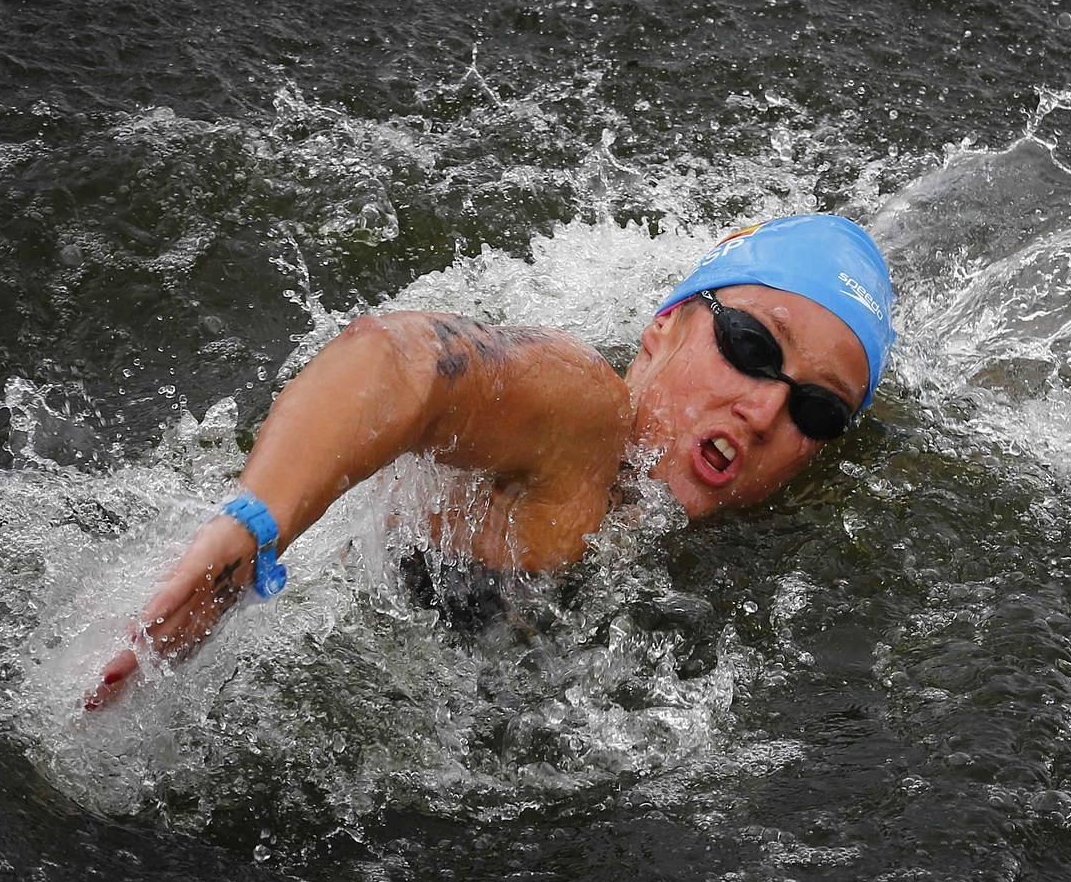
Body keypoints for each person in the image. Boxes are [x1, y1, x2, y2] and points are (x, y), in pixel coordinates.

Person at [87, 214, 896, 708]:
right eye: (751, 347)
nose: (762, 412)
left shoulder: (712, 525)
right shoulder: (584, 417)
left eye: (816, 409)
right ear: (668, 323)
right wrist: (254, 523)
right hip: (188, 639)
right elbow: (400, 361)